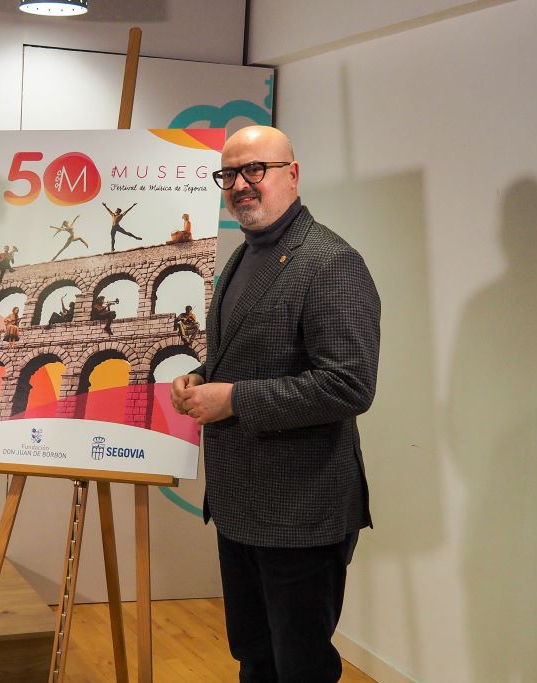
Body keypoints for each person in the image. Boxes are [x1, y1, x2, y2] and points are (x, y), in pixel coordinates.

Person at [170, 126, 380, 683]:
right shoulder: (243, 257)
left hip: (301, 512)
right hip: (241, 505)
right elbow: (248, 355)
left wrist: (233, 399)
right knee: (256, 658)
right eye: (229, 174)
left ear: (293, 173)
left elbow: (349, 385)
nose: (241, 184)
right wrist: (201, 378)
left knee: (301, 668)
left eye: (255, 169)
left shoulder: (332, 262)